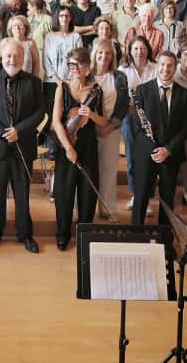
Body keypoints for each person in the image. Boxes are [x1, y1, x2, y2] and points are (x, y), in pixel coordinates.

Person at [0, 39, 46, 253]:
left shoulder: (34, 82)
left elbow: (40, 112)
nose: (13, 60)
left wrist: (19, 130)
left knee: (22, 194)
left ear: (23, 58)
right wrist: (1, 132)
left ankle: (25, 234)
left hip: (22, 146)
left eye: (17, 56)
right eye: (8, 56)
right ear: (1, 56)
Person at [51, 48, 107, 250]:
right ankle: (63, 234)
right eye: (71, 65)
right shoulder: (63, 88)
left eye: (78, 65)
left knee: (87, 193)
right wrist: (68, 147)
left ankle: (84, 234)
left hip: (88, 146)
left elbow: (103, 121)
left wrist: (91, 115)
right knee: (64, 193)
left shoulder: (96, 90)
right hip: (67, 145)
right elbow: (56, 122)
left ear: (87, 67)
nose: (74, 69)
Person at [131, 51, 187, 225]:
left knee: (167, 198)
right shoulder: (142, 90)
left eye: (170, 65)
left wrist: (168, 150)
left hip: (170, 154)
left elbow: (185, 128)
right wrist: (153, 148)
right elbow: (137, 125)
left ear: (175, 67)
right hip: (146, 153)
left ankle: (164, 237)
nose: (166, 69)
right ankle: (136, 233)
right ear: (157, 65)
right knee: (141, 194)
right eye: (163, 64)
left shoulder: (185, 95)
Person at [91, 39, 128, 218]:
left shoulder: (120, 77)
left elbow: (124, 104)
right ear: (94, 55)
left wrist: (111, 125)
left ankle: (107, 209)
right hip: (88, 130)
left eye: (108, 53)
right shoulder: (86, 75)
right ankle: (85, 208)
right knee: (89, 170)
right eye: (100, 53)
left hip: (111, 130)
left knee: (109, 170)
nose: (104, 56)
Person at [122, 36, 158, 214]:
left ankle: (148, 197)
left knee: (149, 159)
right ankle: (136, 194)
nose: (139, 52)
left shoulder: (156, 68)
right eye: (135, 48)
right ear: (130, 50)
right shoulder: (123, 69)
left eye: (142, 48)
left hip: (152, 119)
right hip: (129, 118)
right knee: (131, 158)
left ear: (148, 50)